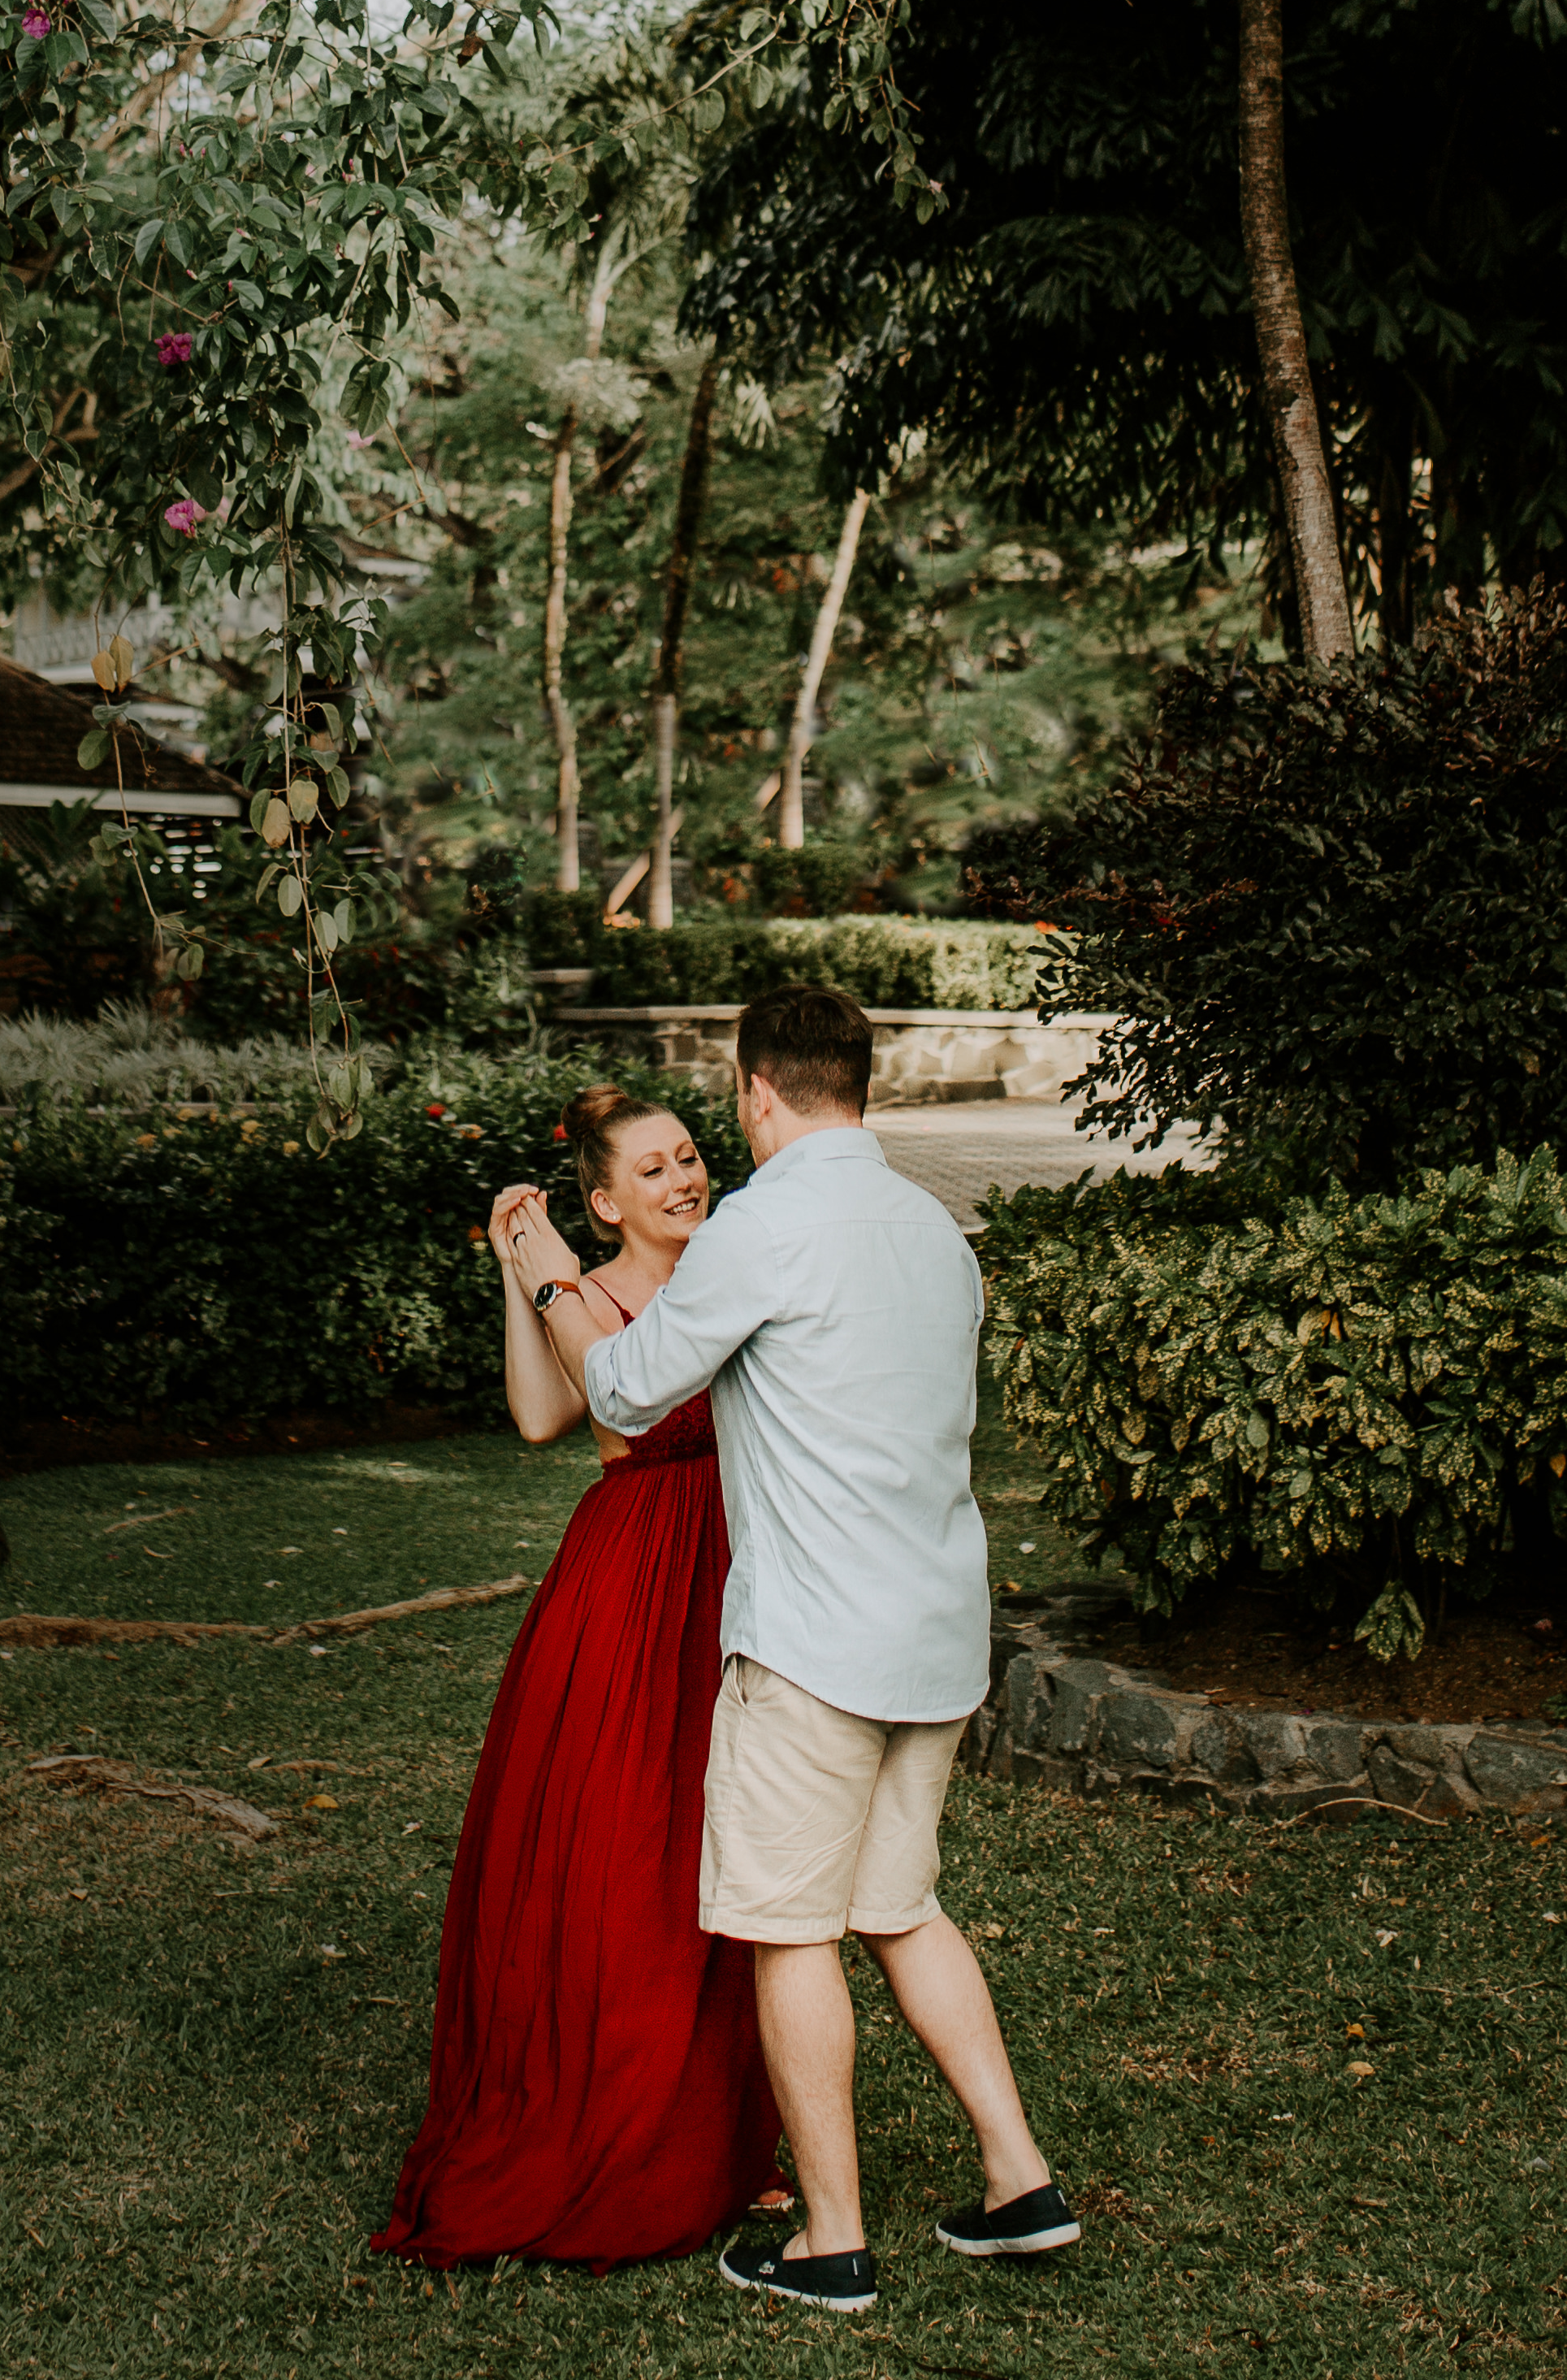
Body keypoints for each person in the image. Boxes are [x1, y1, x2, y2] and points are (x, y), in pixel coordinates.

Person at [505, 985, 1077, 2314]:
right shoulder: (937, 1234)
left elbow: (628, 1391)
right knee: (901, 1907)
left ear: (759, 1092)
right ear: (858, 1083)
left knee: (787, 1931)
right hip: (937, 1634)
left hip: (814, 1644)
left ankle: (830, 2239)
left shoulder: (764, 1227)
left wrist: (543, 1269)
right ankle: (1018, 2179)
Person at [371, 1082, 782, 2270]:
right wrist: (521, 1272)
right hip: (636, 1573)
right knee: (623, 1844)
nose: (683, 1179)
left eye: (690, 1155)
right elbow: (549, 1415)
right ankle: (613, 2124)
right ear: (603, 1204)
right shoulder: (593, 1297)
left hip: (740, 1561)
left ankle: (722, 2139)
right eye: (650, 1171)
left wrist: (552, 1272)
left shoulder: (734, 1266)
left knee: (730, 1846)